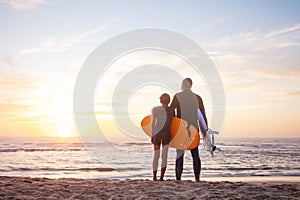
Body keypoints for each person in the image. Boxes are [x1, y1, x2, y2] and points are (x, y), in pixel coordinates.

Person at [170, 78, 208, 182]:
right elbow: (203, 116)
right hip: (193, 129)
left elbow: (170, 111)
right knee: (195, 154)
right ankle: (197, 178)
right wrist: (205, 132)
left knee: (180, 154)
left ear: (183, 85)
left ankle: (178, 179)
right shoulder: (198, 98)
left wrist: (171, 127)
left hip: (181, 129)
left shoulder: (177, 96)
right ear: (191, 85)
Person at [151, 93, 174, 181]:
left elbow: (153, 123)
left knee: (156, 155)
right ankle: (161, 177)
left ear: (160, 100)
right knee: (164, 156)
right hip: (166, 134)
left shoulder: (156, 110)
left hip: (157, 133)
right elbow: (173, 123)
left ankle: (154, 177)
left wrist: (152, 135)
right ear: (169, 101)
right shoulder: (171, 110)